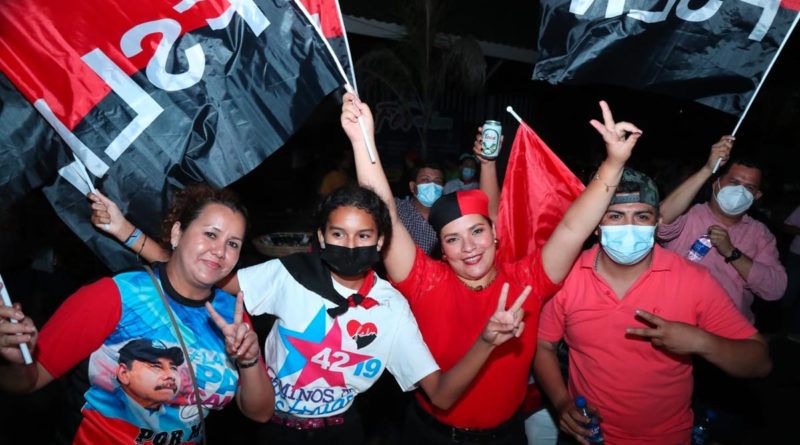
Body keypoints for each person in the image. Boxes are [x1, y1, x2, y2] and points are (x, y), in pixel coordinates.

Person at [87, 184, 532, 445]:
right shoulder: (289, 275)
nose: (351, 246)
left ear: (380, 243)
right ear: (320, 236)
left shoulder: (393, 308)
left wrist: (487, 342)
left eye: (364, 236)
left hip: (344, 434)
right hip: (270, 429)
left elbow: (443, 394)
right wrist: (129, 234)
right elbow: (198, 273)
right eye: (338, 233)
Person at [341, 91, 642, 444]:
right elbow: (386, 214)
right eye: (453, 239)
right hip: (431, 434)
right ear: (442, 249)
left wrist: (613, 164)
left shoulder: (529, 280)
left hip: (506, 435)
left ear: (495, 233)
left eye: (477, 231)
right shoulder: (425, 280)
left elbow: (573, 228)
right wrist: (362, 142)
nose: (468, 247)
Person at [0, 185, 274, 444]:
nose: (220, 251)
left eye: (233, 244)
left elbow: (260, 413)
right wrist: (18, 360)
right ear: (177, 233)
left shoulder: (233, 315)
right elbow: (26, 382)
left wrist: (249, 361)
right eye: (210, 234)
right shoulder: (116, 296)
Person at [533, 168, 771, 445]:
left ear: (658, 221)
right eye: (616, 215)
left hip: (665, 437)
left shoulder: (692, 281)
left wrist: (702, 342)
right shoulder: (568, 274)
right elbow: (544, 345)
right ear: (596, 224)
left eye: (642, 216)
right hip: (588, 435)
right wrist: (561, 401)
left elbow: (760, 362)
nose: (629, 228)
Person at [658, 136, 787, 322]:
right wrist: (707, 169)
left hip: (723, 329)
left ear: (756, 195)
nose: (740, 191)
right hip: (669, 316)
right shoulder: (688, 214)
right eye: (734, 182)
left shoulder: (760, 234)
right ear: (716, 183)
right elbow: (661, 219)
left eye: (749, 187)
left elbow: (775, 289)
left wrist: (733, 253)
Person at [395, 160, 446, 256]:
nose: (432, 185)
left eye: (437, 181)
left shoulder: (447, 216)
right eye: (425, 180)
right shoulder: (398, 209)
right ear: (412, 186)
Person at [116, 339, 184, 410]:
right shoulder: (107, 409)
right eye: (157, 366)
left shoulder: (176, 417)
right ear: (124, 373)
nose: (172, 376)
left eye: (173, 368)